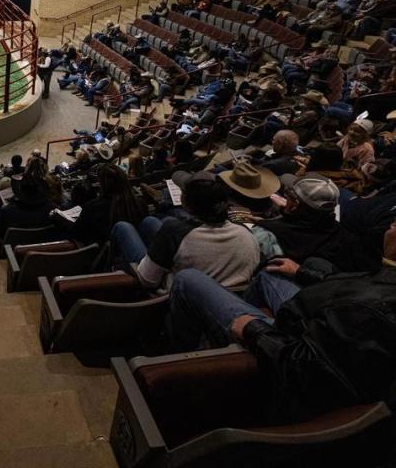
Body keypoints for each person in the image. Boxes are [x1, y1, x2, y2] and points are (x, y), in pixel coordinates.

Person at [168, 260, 396, 423]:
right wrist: (302, 272)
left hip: (289, 348)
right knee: (270, 274)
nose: (390, 226)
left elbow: (307, 368)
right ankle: (229, 347)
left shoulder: (369, 313)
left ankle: (208, 361)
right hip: (315, 323)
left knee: (189, 279)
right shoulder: (385, 281)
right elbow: (357, 287)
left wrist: (253, 330)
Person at [110, 171, 260, 289]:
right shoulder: (246, 233)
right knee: (149, 221)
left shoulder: (175, 231)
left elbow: (147, 280)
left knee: (123, 227)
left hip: (172, 299)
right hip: (225, 295)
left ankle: (113, 268)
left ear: (186, 205)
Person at [58, 163, 146, 247]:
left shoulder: (94, 207)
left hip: (102, 254)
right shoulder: (139, 204)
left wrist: (61, 220)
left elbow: (77, 233)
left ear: (103, 184)